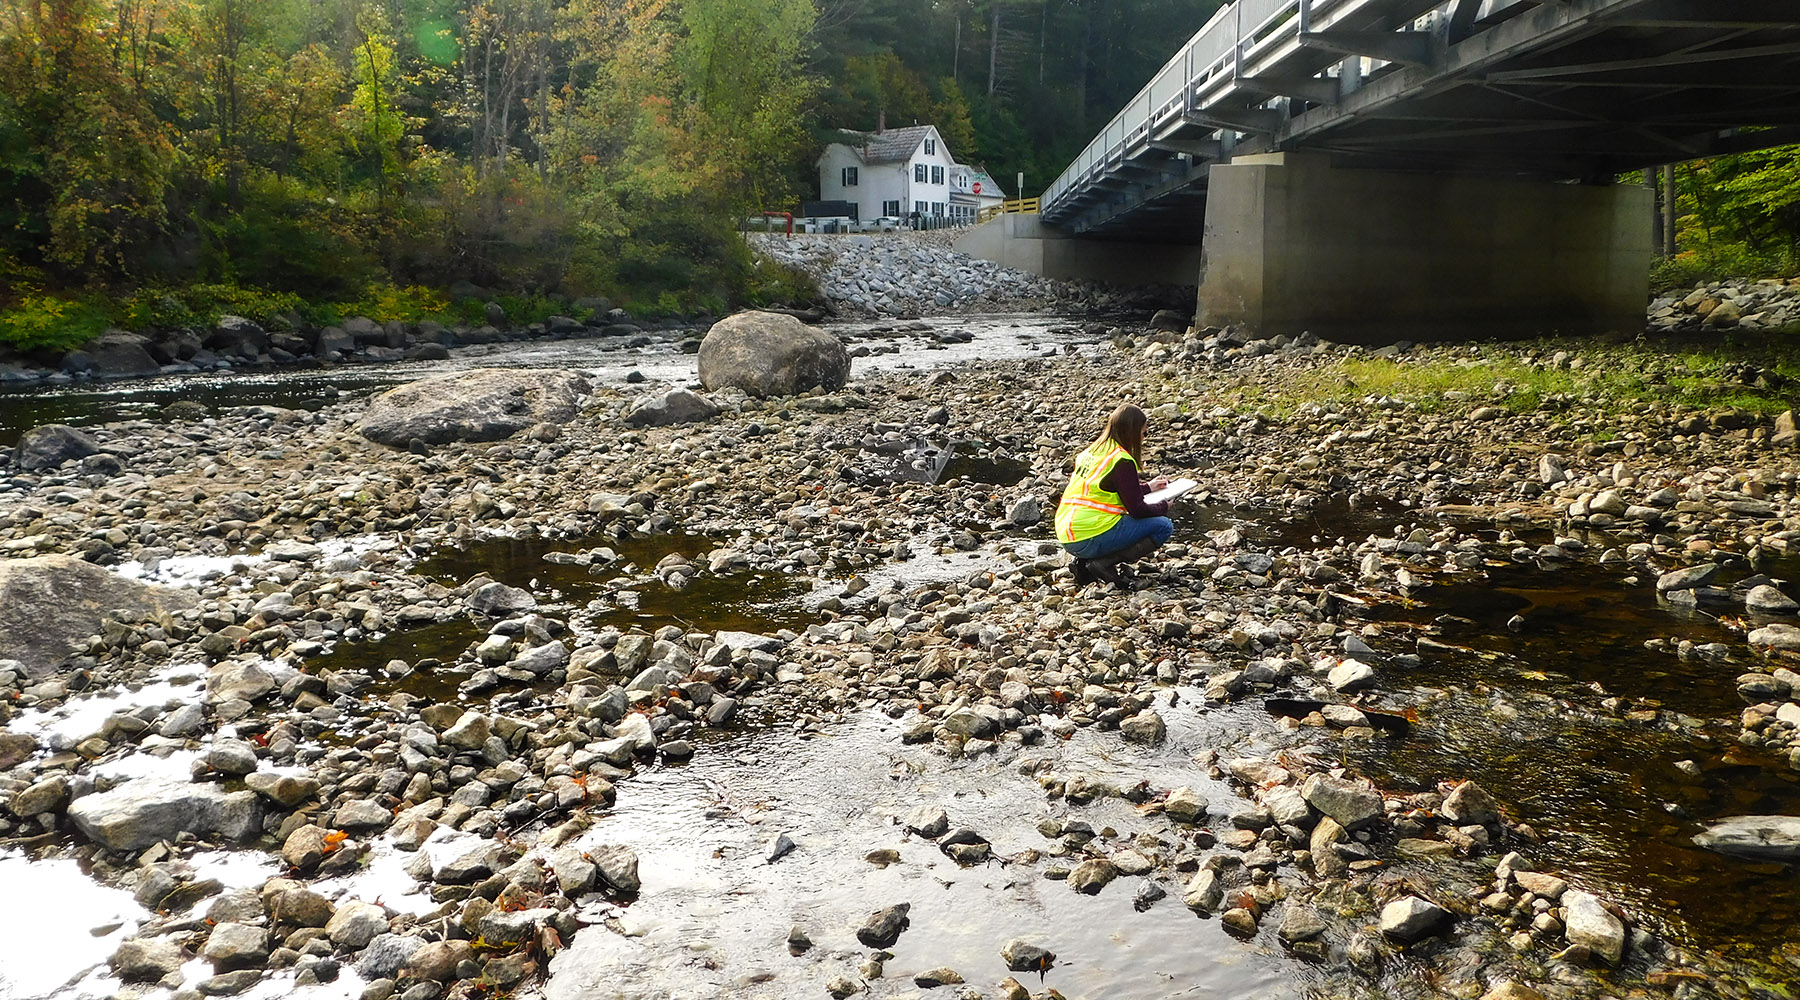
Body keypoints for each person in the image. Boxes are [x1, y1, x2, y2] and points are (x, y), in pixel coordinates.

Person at [1055, 403, 1175, 586]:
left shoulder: (1093, 451)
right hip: (1088, 536)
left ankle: (1083, 562)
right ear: (1133, 433)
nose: (1144, 438)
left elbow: (1108, 489)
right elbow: (1137, 510)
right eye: (1144, 433)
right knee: (1163, 526)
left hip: (1068, 534)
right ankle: (1102, 564)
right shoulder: (1122, 460)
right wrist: (1164, 506)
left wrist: (1148, 487)